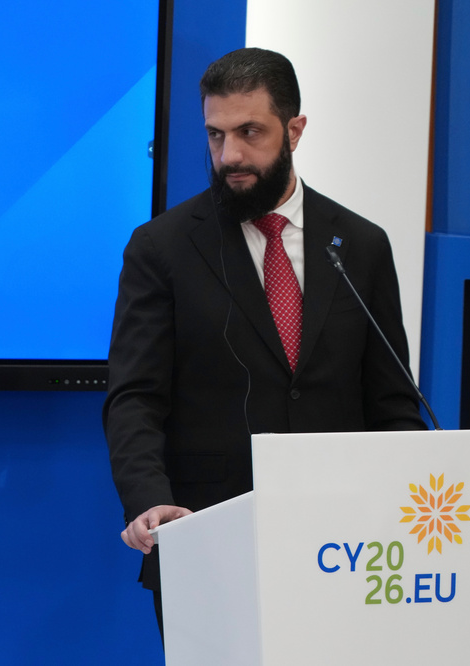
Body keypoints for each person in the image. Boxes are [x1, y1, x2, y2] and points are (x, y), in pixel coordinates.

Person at [102, 48, 426, 634]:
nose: (230, 156)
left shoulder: (361, 244)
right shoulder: (162, 248)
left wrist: (409, 507)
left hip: (345, 545)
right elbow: (134, 397)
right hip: (206, 535)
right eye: (216, 135)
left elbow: (393, 404)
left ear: (295, 130)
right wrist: (148, 498)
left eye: (250, 132)